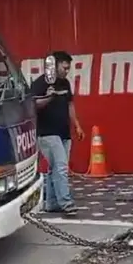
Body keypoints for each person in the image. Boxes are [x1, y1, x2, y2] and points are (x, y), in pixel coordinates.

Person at [31, 51, 84, 216]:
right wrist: (48, 97)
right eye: (64, 68)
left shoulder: (66, 83)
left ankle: (52, 203)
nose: (66, 71)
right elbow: (33, 105)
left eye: (68, 69)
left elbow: (70, 105)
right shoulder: (40, 83)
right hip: (47, 132)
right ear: (54, 65)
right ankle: (66, 203)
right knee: (61, 167)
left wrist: (77, 126)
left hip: (64, 132)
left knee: (55, 168)